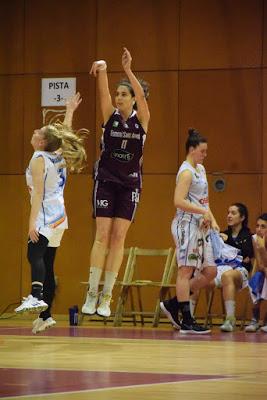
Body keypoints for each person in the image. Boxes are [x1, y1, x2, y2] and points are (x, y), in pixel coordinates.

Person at [82, 48, 150, 318]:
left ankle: (107, 297)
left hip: (131, 184)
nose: (119, 97)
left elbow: (143, 96)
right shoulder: (109, 115)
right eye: (118, 93)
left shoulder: (142, 120)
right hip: (107, 180)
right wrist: (103, 67)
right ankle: (92, 293)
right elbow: (102, 91)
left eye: (124, 94)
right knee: (102, 235)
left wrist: (129, 71)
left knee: (119, 237)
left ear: (133, 99)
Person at [15, 93, 87, 334]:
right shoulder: (58, 154)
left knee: (33, 254)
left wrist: (31, 223)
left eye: (38, 132)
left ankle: (36, 296)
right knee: (47, 263)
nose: (34, 132)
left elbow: (37, 195)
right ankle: (45, 316)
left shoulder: (38, 159)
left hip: (46, 215)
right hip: (60, 217)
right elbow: (64, 134)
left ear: (42, 142)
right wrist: (69, 111)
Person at [160, 128, 219, 334]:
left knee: (210, 271)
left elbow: (203, 200)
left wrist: (212, 218)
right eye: (202, 151)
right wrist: (202, 212)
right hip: (185, 225)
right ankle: (187, 318)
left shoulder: (200, 170)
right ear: (192, 149)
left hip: (201, 226)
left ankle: (173, 304)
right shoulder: (186, 171)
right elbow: (178, 201)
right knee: (185, 271)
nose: (205, 154)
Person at [210, 203, 254, 332]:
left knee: (227, 276)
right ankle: (187, 317)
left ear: (242, 217)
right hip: (221, 268)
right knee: (199, 278)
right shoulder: (222, 234)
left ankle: (230, 319)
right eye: (228, 212)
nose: (229, 216)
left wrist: (228, 240)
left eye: (233, 213)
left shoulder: (248, 236)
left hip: (240, 271)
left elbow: (248, 254)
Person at [245, 213, 267, 333]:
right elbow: (260, 264)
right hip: (263, 272)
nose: (259, 229)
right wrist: (261, 248)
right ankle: (255, 319)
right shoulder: (255, 238)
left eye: (263, 226)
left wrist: (263, 248)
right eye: (257, 226)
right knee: (257, 279)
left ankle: (265, 320)